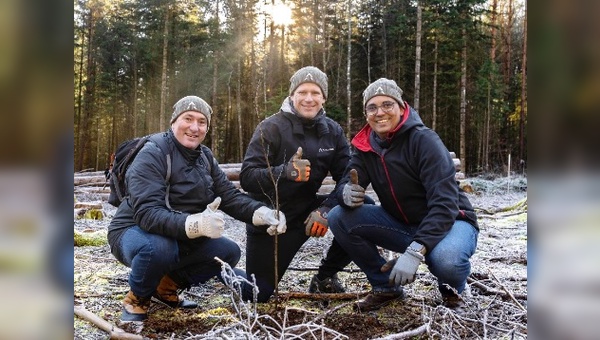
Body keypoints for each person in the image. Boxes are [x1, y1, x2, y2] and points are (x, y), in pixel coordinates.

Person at [107, 95, 286, 322]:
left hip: (176, 234)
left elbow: (229, 196)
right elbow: (147, 214)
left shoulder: (205, 157)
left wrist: (262, 213)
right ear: (174, 122)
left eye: (202, 122)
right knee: (160, 248)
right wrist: (195, 224)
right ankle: (137, 299)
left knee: (228, 251)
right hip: (132, 231)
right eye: (188, 118)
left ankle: (165, 286)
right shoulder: (153, 153)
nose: (194, 127)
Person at [327, 78, 479, 312]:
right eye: (372, 107)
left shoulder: (424, 140)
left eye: (387, 104)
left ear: (401, 107)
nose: (380, 113)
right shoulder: (365, 146)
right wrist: (345, 191)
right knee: (339, 216)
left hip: (451, 222)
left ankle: (454, 292)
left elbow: (445, 203)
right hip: (403, 224)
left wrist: (416, 251)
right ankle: (385, 287)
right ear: (366, 113)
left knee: (446, 260)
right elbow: (348, 178)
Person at [239, 66, 372, 302]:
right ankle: (219, 270)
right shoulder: (270, 127)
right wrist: (284, 172)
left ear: (324, 98)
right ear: (292, 95)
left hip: (309, 213)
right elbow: (248, 177)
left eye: (315, 92)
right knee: (256, 295)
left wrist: (327, 209)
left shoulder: (332, 131)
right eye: (302, 92)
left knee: (364, 205)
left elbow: (347, 177)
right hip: (271, 218)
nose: (308, 99)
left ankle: (325, 277)